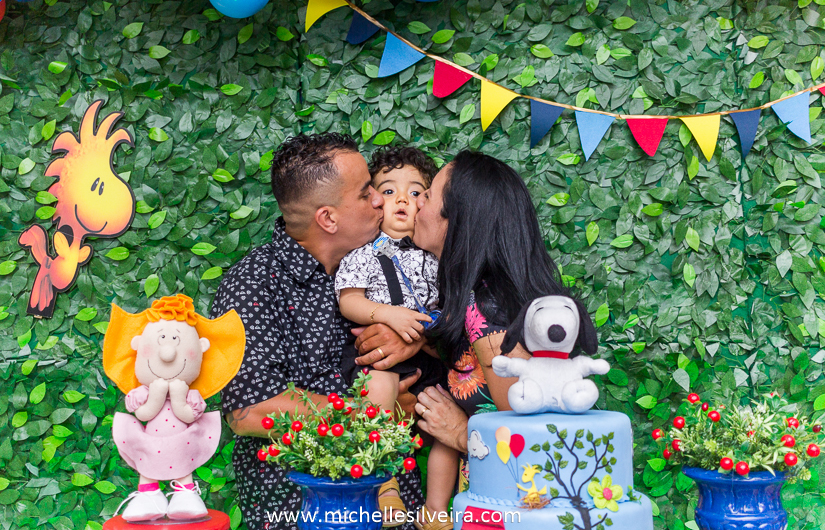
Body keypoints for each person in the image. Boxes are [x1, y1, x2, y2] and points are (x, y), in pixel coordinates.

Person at [210, 134, 424, 530]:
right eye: (365, 194)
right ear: (327, 218)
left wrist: (414, 336)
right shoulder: (253, 284)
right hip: (300, 509)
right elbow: (249, 410)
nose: (380, 200)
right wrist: (370, 416)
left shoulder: (384, 261)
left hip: (396, 505)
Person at [350, 150, 569, 492]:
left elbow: (540, 451)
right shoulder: (473, 296)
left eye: (427, 195)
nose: (416, 204)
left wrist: (458, 433)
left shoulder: (489, 313)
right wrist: (416, 338)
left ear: (458, 220)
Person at [335, 147, 456, 530]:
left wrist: (427, 332)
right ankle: (385, 485)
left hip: (431, 358)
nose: (403, 199)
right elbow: (349, 300)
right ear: (373, 202)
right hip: (380, 359)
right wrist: (386, 314)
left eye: (417, 191)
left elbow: (452, 310)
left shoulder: (440, 257)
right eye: (388, 191)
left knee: (447, 419)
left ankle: (436, 509)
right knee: (378, 385)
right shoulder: (364, 254)